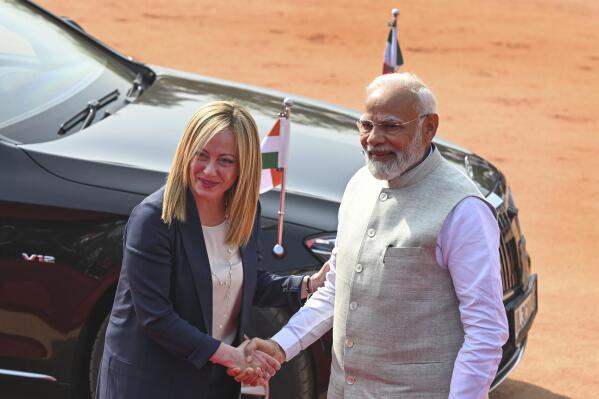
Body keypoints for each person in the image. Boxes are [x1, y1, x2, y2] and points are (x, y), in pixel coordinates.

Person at [231, 73, 509, 398]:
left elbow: (486, 331)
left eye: (390, 127)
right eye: (366, 125)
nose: (373, 138)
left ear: (428, 127)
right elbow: (338, 288)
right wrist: (281, 346)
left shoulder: (463, 210)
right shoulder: (358, 186)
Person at [95, 101, 327, 399]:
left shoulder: (245, 210)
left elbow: (246, 282)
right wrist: (231, 356)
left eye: (225, 161)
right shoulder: (154, 219)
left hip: (214, 383)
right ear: (186, 152)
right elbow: (156, 317)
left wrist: (308, 285)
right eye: (201, 155)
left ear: (243, 165)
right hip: (149, 383)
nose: (209, 170)